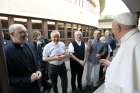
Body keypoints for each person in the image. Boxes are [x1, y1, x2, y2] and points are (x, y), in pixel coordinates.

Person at [100, 12, 140, 93]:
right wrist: (111, 64)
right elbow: (128, 68)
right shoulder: (129, 40)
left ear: (118, 27)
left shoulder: (135, 44)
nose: (112, 31)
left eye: (112, 27)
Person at [4, 24, 42, 93]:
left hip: (36, 88)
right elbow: (6, 79)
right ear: (12, 34)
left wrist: (39, 70)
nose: (26, 34)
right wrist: (28, 79)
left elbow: (37, 60)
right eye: (21, 32)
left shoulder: (30, 45)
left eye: (26, 32)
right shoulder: (6, 52)